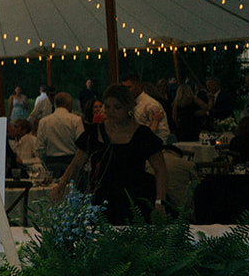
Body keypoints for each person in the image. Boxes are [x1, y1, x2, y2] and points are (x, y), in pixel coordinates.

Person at [54, 84, 169, 225]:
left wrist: (159, 202)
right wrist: (62, 184)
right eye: (107, 107)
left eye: (117, 107)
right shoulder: (94, 132)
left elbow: (161, 170)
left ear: (128, 108)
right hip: (102, 200)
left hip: (136, 200)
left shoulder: (143, 135)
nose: (111, 111)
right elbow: (77, 163)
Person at [35, 93, 85, 179]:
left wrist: (45, 163)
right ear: (69, 104)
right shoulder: (76, 120)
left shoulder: (44, 121)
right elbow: (82, 145)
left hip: (52, 164)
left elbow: (40, 148)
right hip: (72, 163)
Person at [123, 74, 170, 141]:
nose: (126, 91)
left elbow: (162, 131)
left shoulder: (150, 104)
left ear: (138, 86)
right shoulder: (130, 104)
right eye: (124, 88)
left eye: (129, 87)